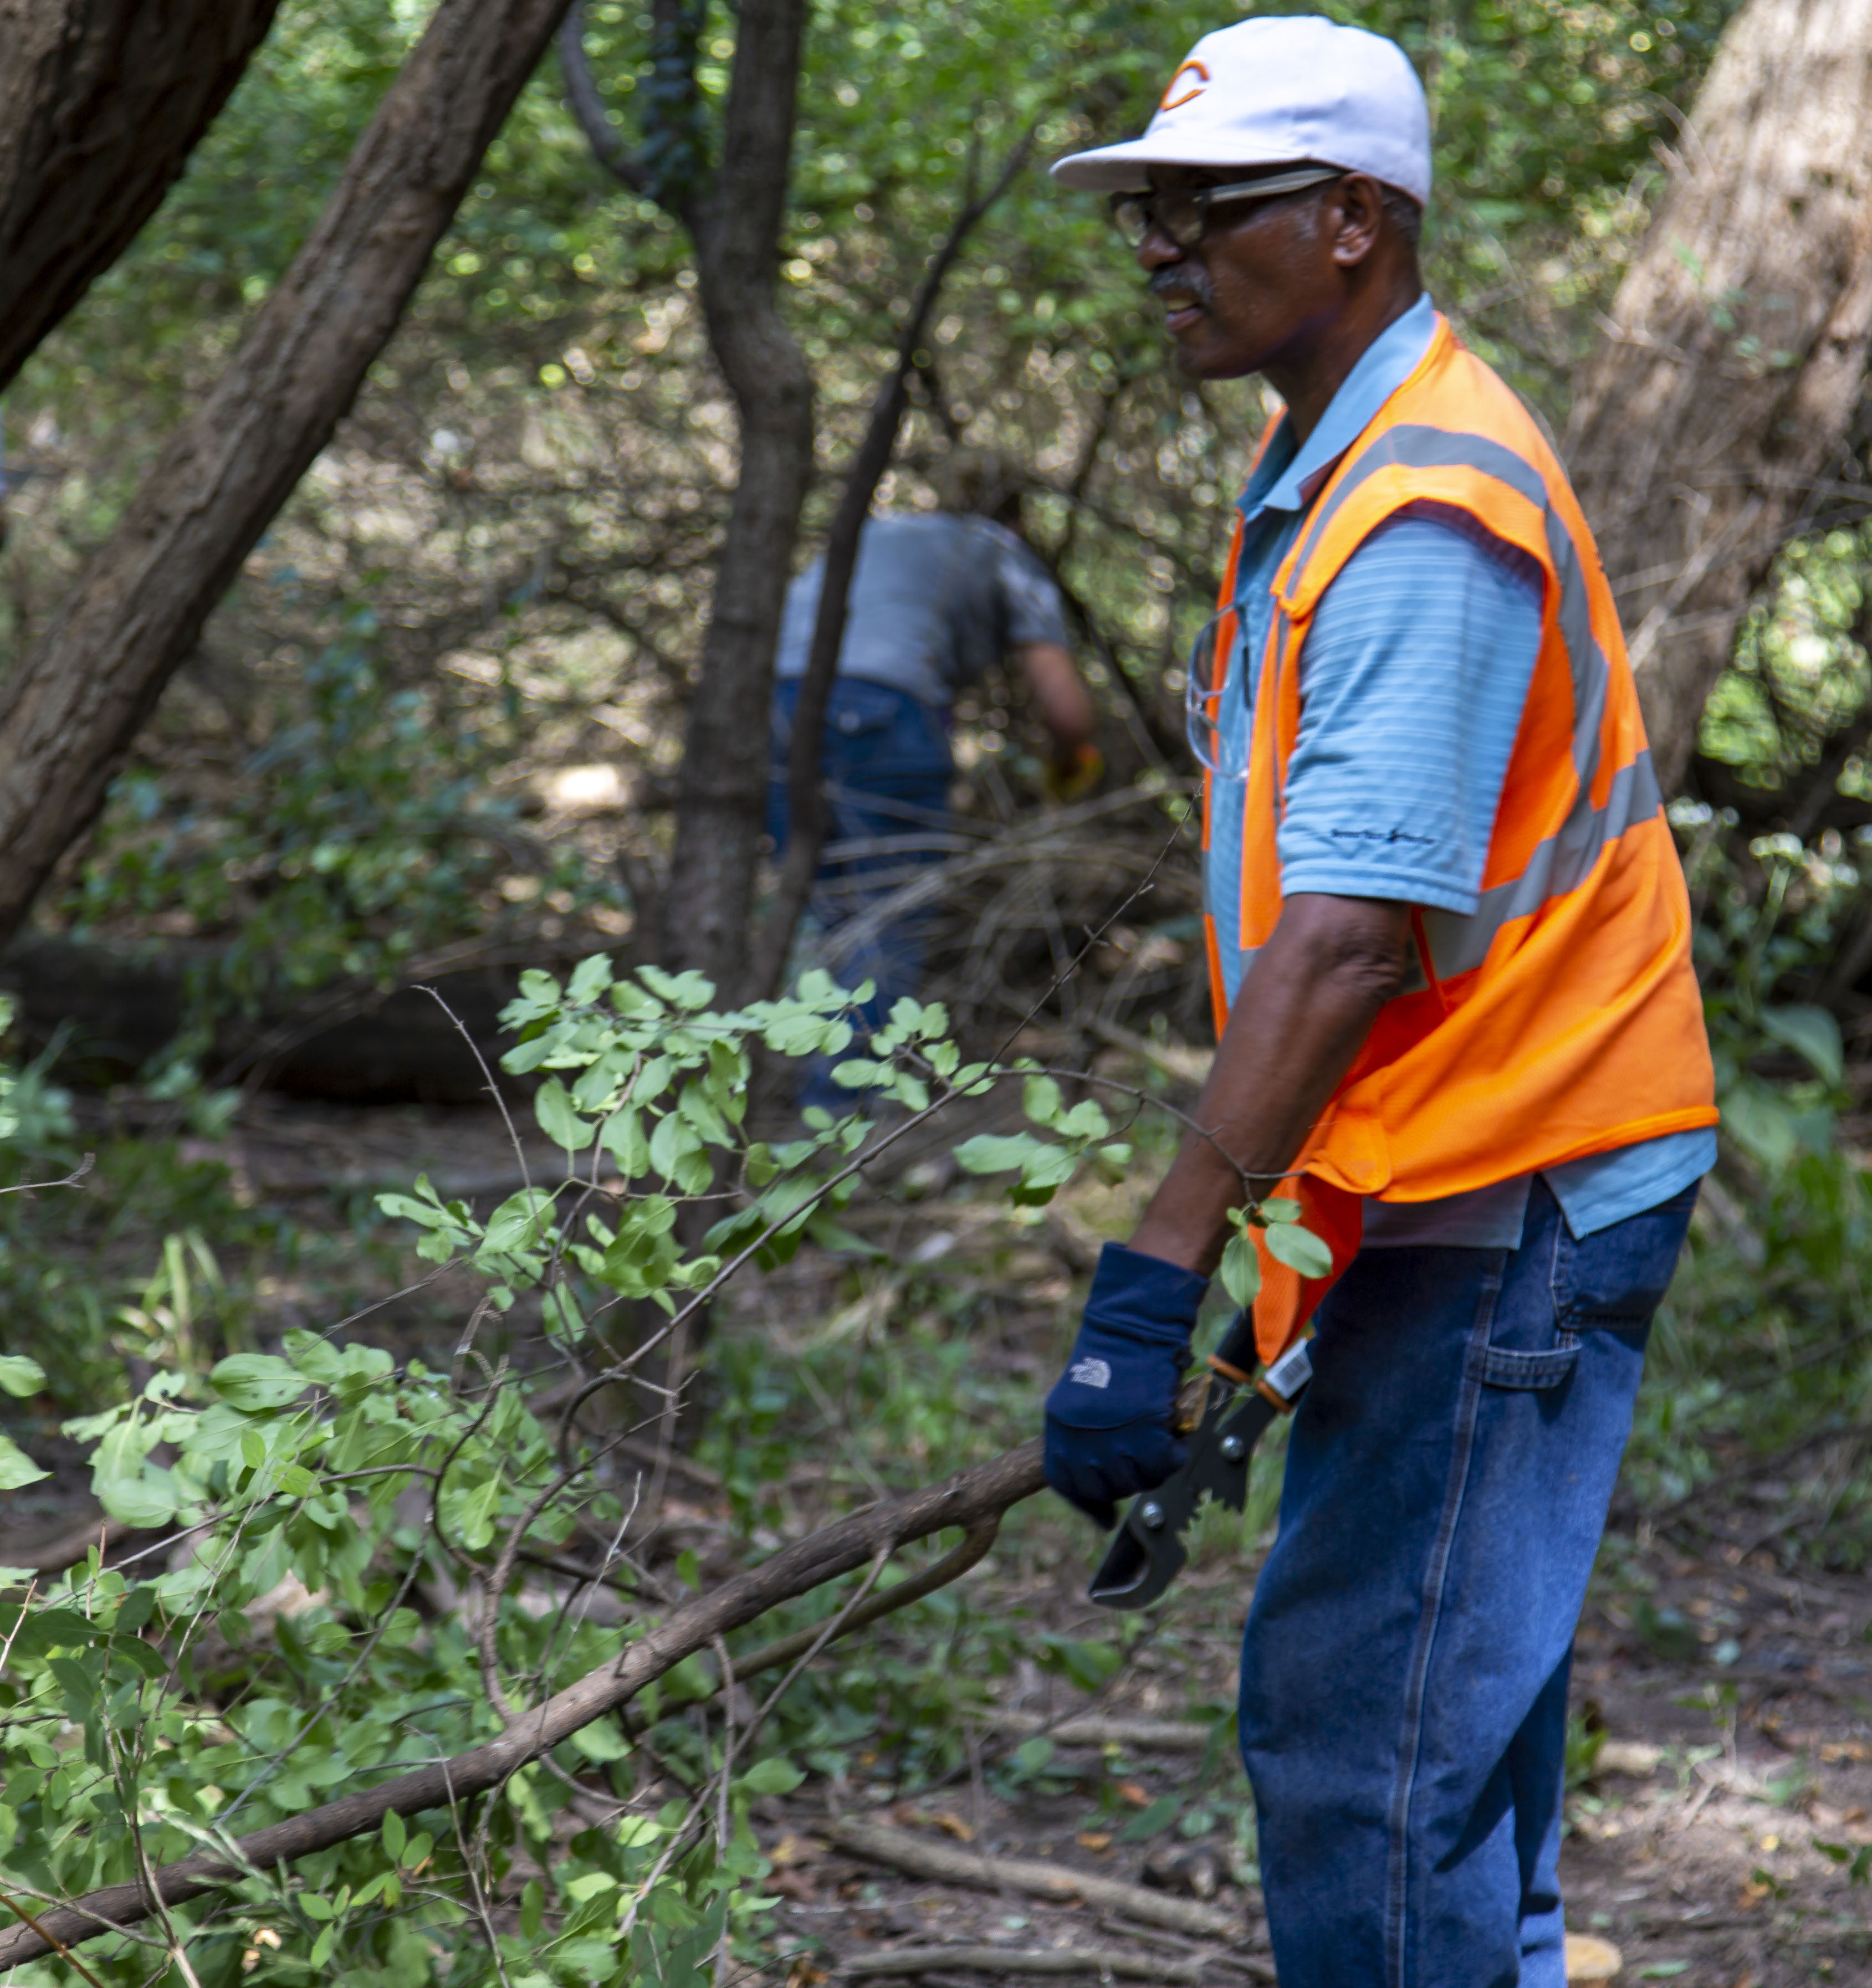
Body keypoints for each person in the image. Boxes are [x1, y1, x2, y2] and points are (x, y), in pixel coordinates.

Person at [1042, 19, 1717, 1987]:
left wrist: (1154, 1276)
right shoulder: (1329, 452)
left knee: (1369, 1747)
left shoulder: (1427, 508)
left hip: (1516, 1191)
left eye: (1203, 211)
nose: (1160, 253)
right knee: (1449, 1757)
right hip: (1450, 1172)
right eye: (1147, 219)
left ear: (1351, 220)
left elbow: (1346, 939)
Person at [767, 459, 1098, 1079]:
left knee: (825, 907)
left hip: (777, 710)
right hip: (883, 713)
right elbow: (1068, 713)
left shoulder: (883, 532)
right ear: (1017, 520)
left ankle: (797, 1080)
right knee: (887, 912)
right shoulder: (1003, 552)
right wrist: (1071, 764)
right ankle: (847, 1111)